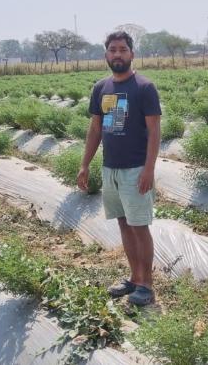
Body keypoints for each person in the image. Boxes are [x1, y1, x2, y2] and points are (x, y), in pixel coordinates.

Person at [77, 31, 161, 306]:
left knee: (139, 227)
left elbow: (154, 131)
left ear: (132, 54)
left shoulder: (144, 88)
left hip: (135, 169)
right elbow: (95, 129)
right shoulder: (101, 88)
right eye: (113, 50)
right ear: (106, 55)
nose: (117, 54)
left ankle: (146, 285)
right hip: (110, 168)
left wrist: (149, 170)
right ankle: (134, 278)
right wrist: (85, 164)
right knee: (124, 224)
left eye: (123, 50)